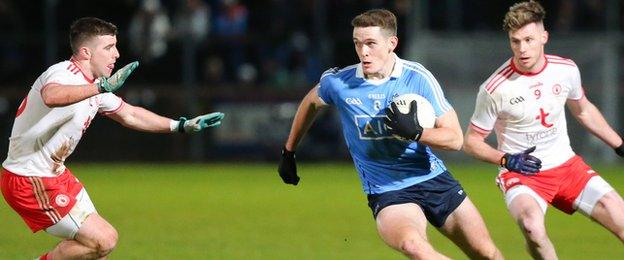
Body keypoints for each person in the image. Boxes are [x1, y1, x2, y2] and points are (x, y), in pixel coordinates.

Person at [278, 9, 503, 259]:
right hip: (388, 191)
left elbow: (455, 139)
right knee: (414, 247)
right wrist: (289, 151)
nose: (363, 52)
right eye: (358, 43)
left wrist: (417, 133)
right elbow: (310, 102)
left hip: (433, 179)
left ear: (391, 43)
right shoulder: (340, 83)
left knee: (487, 254)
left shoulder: (417, 79)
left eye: (371, 43)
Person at [0, 17, 224, 259]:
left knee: (97, 250)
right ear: (85, 52)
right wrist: (100, 88)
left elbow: (129, 114)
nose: (116, 54)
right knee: (103, 239)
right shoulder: (63, 73)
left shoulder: (95, 85)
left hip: (56, 175)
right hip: (29, 179)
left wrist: (181, 125)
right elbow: (52, 96)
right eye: (108, 48)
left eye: (115, 46)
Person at [463, 1, 624, 259]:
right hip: (523, 174)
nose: (522, 48)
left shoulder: (566, 70)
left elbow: (582, 110)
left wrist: (618, 144)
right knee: (532, 228)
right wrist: (506, 159)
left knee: (621, 218)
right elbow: (471, 142)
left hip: (567, 166)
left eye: (528, 39)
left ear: (544, 37)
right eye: (515, 41)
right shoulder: (495, 88)